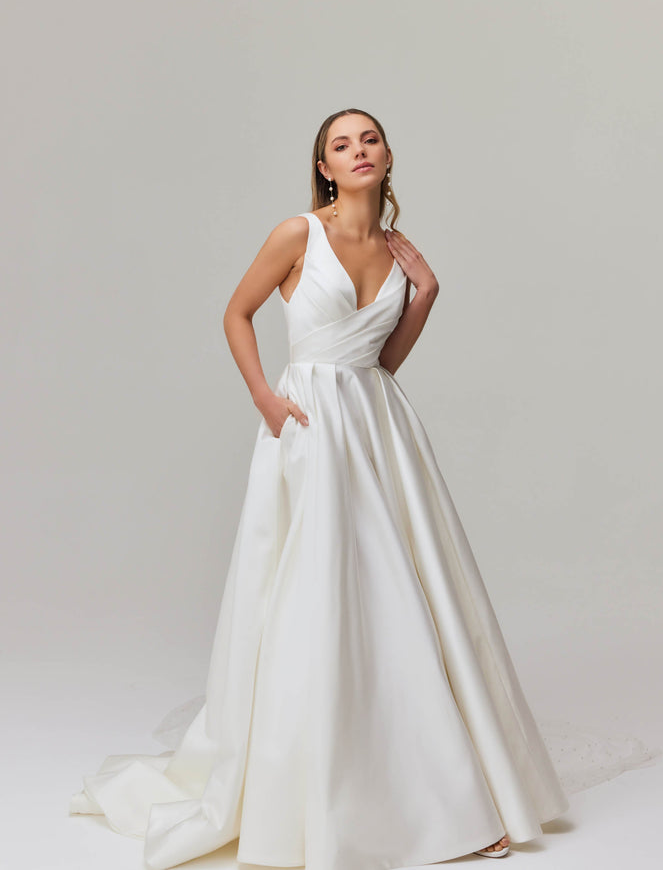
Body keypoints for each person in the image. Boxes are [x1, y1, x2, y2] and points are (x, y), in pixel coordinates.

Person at [69, 107, 570, 868]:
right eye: (342, 144)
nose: (357, 150)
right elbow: (236, 313)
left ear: (388, 156)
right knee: (323, 595)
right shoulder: (297, 234)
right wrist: (265, 400)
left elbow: (379, 363)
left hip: (379, 428)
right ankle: (331, 797)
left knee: (403, 596)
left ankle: (442, 800)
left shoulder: (398, 251)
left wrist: (425, 294)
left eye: (369, 139)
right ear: (324, 167)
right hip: (309, 427)